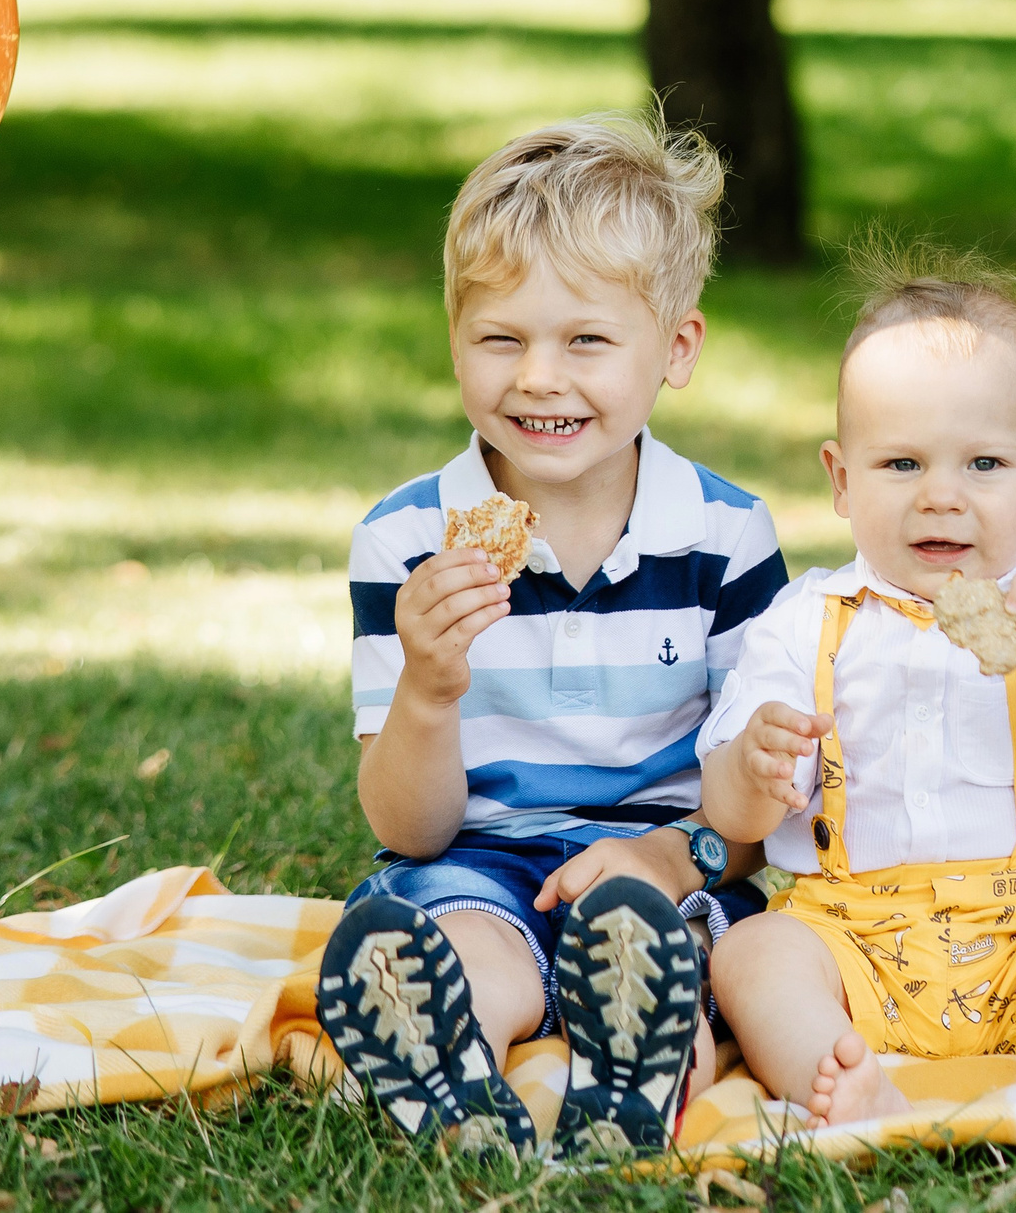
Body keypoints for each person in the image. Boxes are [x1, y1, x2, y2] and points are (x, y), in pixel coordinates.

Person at [319, 114, 785, 1159]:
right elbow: (410, 826)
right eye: (501, 339)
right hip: (478, 863)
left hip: (666, 868)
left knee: (694, 972)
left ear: (676, 349)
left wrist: (678, 853)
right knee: (468, 956)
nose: (538, 377)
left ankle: (645, 1081)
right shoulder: (405, 543)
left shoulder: (724, 536)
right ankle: (452, 1082)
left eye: (585, 340)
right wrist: (429, 691)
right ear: (454, 342)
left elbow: (764, 785)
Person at [698, 245, 1016, 1126]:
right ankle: (837, 1070)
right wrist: (753, 762)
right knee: (753, 952)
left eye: (985, 465)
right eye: (902, 465)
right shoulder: (804, 618)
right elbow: (733, 818)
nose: (941, 498)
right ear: (843, 480)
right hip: (850, 934)